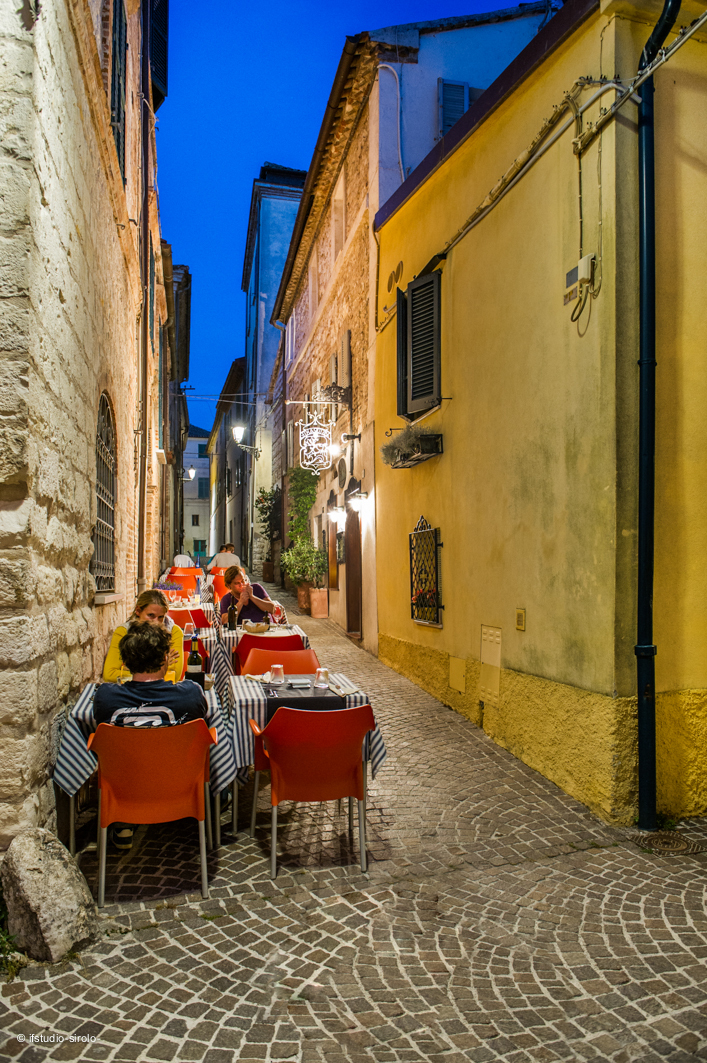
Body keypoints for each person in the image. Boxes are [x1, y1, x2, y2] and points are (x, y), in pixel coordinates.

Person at [95, 623, 208, 849]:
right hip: (180, 786)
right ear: (165, 658)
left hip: (124, 787)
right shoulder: (190, 694)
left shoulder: (105, 698)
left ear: (125, 662)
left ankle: (123, 823)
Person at [102, 590, 184, 683]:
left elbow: (174, 676)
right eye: (151, 615)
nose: (156, 622)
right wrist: (162, 668)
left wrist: (131, 669)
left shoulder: (174, 632)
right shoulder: (123, 632)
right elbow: (109, 675)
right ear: (138, 611)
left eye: (161, 617)